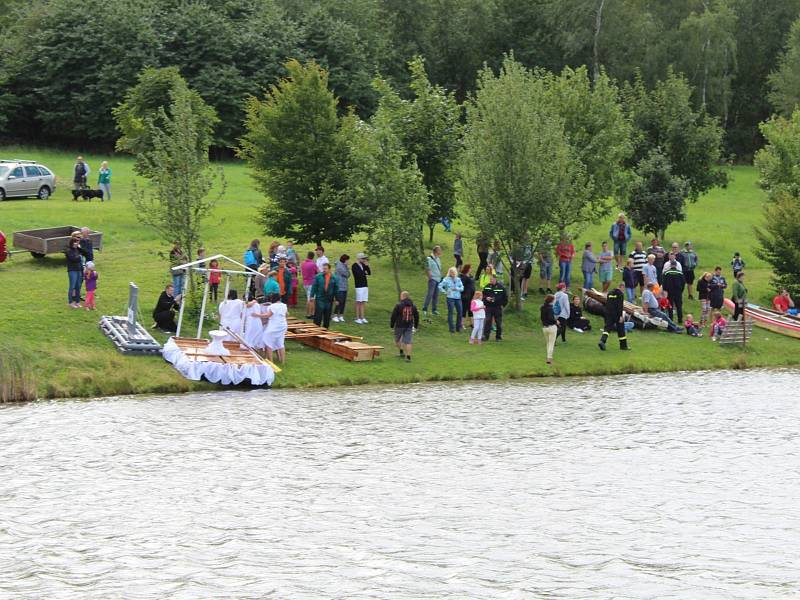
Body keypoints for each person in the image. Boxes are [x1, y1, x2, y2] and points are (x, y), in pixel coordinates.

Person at [598, 282, 629, 351]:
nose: (624, 290)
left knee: (607, 328)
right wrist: (621, 316)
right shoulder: (620, 294)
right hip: (617, 314)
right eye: (624, 288)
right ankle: (623, 346)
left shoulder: (610, 293)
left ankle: (602, 341)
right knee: (621, 330)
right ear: (622, 287)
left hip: (608, 314)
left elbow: (607, 304)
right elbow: (620, 306)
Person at [257, 297, 289, 364]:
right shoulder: (284, 305)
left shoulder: (272, 306)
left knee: (267, 341)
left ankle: (270, 361)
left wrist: (257, 315)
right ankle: (282, 361)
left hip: (274, 326)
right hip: (283, 325)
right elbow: (286, 315)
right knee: (280, 343)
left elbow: (268, 315)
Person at [390, 291, 419, 362]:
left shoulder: (398, 305)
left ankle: (401, 351)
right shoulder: (413, 306)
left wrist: (392, 325)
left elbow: (393, 316)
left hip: (399, 325)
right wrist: (415, 326)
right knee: (408, 342)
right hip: (409, 325)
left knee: (397, 340)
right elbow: (416, 316)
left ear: (403, 296)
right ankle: (408, 357)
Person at [310, 262, 338, 329]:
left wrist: (337, 299)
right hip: (320, 298)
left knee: (327, 315)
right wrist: (312, 296)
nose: (324, 270)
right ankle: (316, 328)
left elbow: (336, 289)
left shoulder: (334, 278)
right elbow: (314, 286)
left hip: (329, 299)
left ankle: (325, 328)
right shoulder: (318, 277)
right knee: (318, 314)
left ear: (329, 269)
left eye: (326, 269)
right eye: (323, 268)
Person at [481, 274, 508, 342]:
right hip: (489, 307)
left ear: (495, 279)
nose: (490, 280)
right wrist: (486, 298)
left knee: (498, 322)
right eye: (490, 279)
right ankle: (486, 336)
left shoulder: (501, 287)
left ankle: (498, 337)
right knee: (487, 321)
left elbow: (505, 298)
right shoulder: (487, 287)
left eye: (492, 279)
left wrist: (502, 305)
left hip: (497, 307)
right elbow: (483, 295)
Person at [65, 235, 89, 307]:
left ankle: (77, 301)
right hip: (72, 270)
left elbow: (86, 253)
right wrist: (80, 256)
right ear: (72, 243)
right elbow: (74, 259)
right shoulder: (68, 250)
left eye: (78, 242)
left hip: (79, 269)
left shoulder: (77, 249)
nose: (77, 244)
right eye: (76, 242)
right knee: (72, 286)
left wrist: (79, 248)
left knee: (78, 286)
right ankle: (70, 302)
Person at [439, 266, 465, 333]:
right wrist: (445, 291)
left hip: (458, 298)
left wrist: (457, 288)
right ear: (449, 272)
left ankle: (458, 328)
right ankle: (451, 329)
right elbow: (439, 286)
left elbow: (462, 288)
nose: (452, 273)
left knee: (460, 312)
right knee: (451, 312)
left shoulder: (458, 279)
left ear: (456, 272)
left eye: (453, 272)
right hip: (450, 298)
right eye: (451, 272)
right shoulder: (446, 279)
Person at [662, 258, 686, 323]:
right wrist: (681, 290)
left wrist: (665, 290)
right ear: (676, 265)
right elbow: (683, 283)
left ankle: (670, 319)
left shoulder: (666, 273)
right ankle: (680, 319)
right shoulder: (680, 273)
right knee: (679, 306)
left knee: (670, 306)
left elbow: (664, 283)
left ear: (670, 265)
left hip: (670, 292)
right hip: (678, 291)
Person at [423, 245, 442, 316]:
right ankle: (425, 308)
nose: (440, 251)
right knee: (430, 294)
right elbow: (427, 268)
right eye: (439, 250)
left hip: (438, 279)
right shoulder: (429, 259)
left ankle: (434, 310)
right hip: (433, 279)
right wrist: (429, 276)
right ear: (436, 251)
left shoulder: (438, 259)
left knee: (436, 295)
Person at [352, 252, 371, 324]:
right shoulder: (354, 265)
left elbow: (369, 273)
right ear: (359, 258)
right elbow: (358, 275)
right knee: (358, 302)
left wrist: (367, 266)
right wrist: (364, 272)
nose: (364, 260)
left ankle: (362, 317)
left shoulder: (363, 265)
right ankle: (357, 318)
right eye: (363, 258)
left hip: (365, 285)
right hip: (359, 286)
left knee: (363, 302)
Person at [540, 294, 558, 365]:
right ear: (552, 300)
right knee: (551, 344)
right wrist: (556, 321)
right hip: (551, 327)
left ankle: (548, 358)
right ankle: (549, 359)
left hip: (544, 328)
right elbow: (551, 318)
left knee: (548, 343)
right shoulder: (550, 308)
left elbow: (542, 318)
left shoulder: (542, 307)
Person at [301, 251, 318, 319]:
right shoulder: (313, 264)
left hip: (305, 283)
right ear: (313, 257)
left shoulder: (303, 263)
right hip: (311, 283)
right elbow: (318, 272)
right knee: (311, 299)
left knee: (308, 298)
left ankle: (308, 313)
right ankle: (311, 314)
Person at [333, 254, 350, 323]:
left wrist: (346, 267)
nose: (348, 262)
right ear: (345, 260)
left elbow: (348, 274)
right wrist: (346, 267)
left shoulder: (343, 266)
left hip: (344, 286)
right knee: (339, 301)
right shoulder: (340, 266)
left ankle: (341, 315)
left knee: (343, 302)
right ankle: (335, 315)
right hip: (339, 287)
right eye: (348, 260)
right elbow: (347, 274)